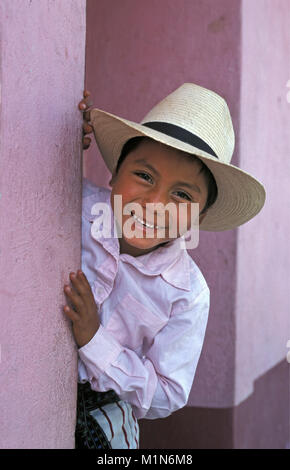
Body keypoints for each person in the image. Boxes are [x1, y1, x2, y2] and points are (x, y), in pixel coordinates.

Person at [63, 83, 266, 449]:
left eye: (182, 195)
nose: (155, 203)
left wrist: (96, 342)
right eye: (144, 175)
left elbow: (168, 393)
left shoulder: (187, 293)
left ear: (199, 215)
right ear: (113, 173)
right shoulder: (75, 207)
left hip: (107, 422)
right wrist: (62, 145)